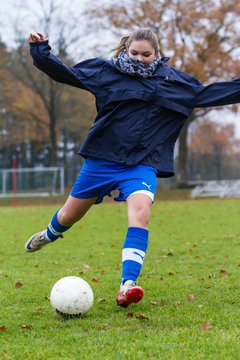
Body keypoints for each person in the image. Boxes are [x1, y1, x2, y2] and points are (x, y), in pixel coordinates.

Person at [25, 28, 240, 308]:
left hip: (141, 164)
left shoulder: (176, 84)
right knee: (68, 215)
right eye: (134, 53)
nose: (139, 59)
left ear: (157, 54)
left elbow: (215, 92)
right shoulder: (106, 73)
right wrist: (40, 50)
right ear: (126, 50)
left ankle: (127, 285)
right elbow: (65, 72)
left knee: (141, 214)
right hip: (102, 160)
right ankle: (48, 235)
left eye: (146, 54)